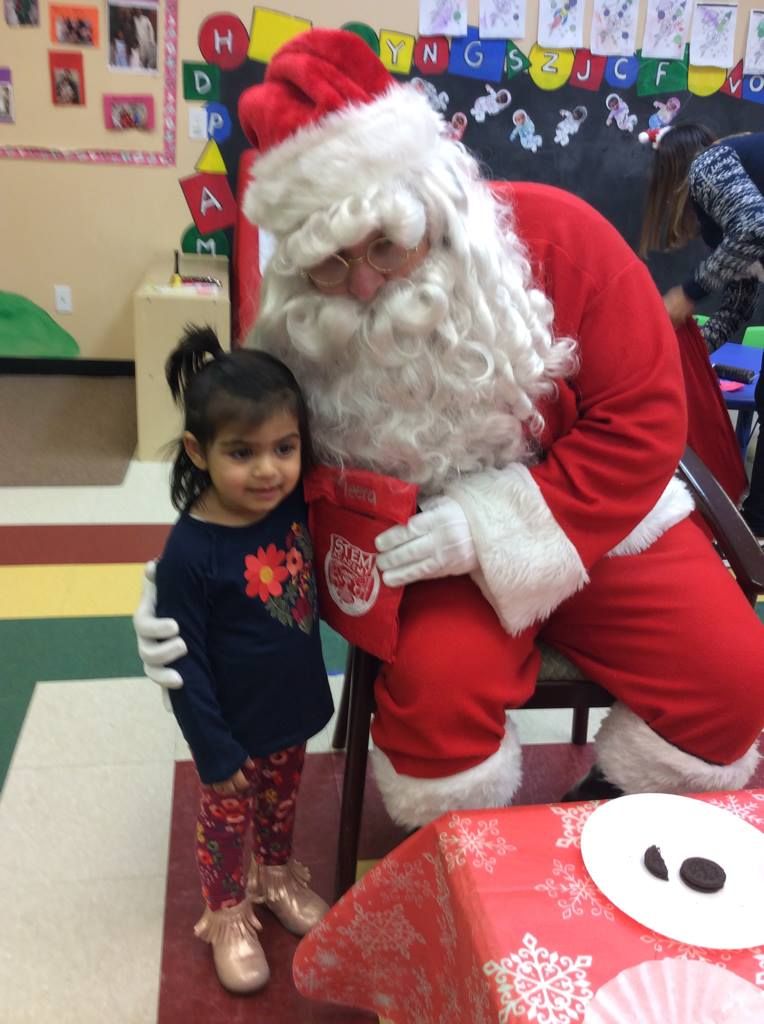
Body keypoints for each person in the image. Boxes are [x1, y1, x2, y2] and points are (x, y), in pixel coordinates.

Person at [135, 28, 764, 836]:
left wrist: (494, 525)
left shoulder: (565, 239)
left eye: (385, 246)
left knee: (736, 682)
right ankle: (470, 865)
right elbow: (267, 466)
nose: (364, 285)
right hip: (427, 548)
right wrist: (191, 573)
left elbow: (644, 419)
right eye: (330, 262)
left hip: (605, 521)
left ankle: (609, 809)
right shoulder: (298, 325)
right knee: (435, 716)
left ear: (433, 203)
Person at [154, 327, 333, 993]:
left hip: (291, 708)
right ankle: (228, 913)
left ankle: (276, 876)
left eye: (284, 448)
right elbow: (182, 663)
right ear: (198, 452)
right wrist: (212, 747)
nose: (267, 470)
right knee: (227, 823)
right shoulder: (190, 553)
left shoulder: (290, 505)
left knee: (281, 804)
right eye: (242, 452)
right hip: (230, 728)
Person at [640, 123, 764, 537]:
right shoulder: (728, 225)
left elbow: (753, 225)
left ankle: (756, 528)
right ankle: (756, 525)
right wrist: (687, 347)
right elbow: (738, 307)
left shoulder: (708, 164)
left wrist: (688, 293)